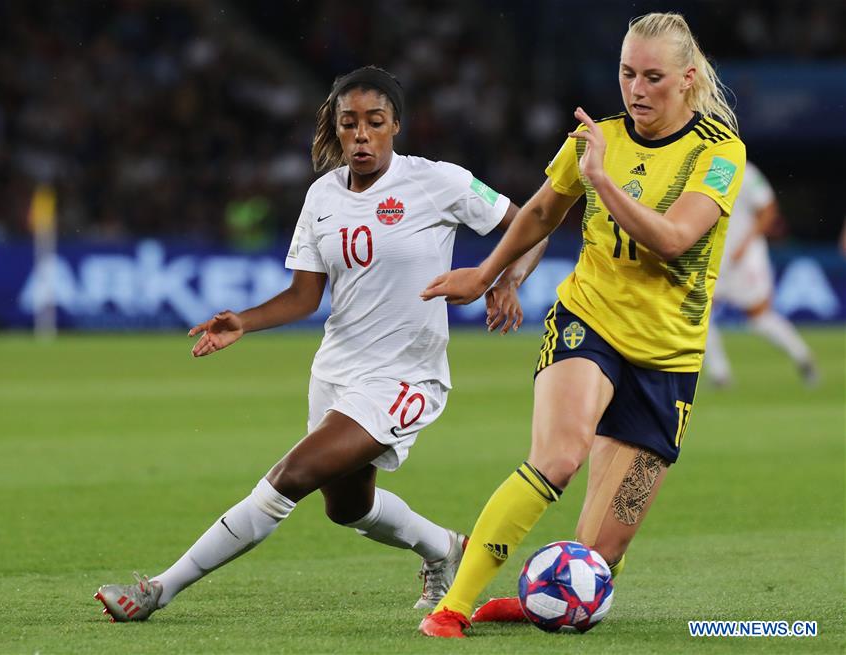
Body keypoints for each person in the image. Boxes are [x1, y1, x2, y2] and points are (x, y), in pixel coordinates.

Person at [94, 65, 544, 622]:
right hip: (336, 372)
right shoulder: (321, 198)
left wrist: (507, 279)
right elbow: (305, 297)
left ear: (395, 125)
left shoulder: (437, 181)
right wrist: (245, 322)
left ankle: (158, 589)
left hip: (403, 378)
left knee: (291, 478)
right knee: (348, 508)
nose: (361, 134)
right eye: (348, 123)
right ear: (335, 128)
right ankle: (445, 549)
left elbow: (530, 223)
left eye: (374, 122)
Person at [417, 12, 746, 638]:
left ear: (688, 78)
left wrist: (601, 179)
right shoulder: (596, 139)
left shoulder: (721, 153)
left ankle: (536, 601)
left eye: (653, 77)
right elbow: (542, 210)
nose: (637, 89)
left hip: (667, 360)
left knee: (601, 556)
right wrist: (487, 273)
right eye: (627, 73)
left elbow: (675, 239)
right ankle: (451, 608)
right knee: (559, 457)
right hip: (587, 320)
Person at [703, 160, 818, 387]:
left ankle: (802, 356)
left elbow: (768, 209)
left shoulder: (745, 171)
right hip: (715, 255)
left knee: (760, 317)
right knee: (701, 314)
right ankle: (719, 374)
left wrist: (745, 244)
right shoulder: (709, 168)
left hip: (745, 258)